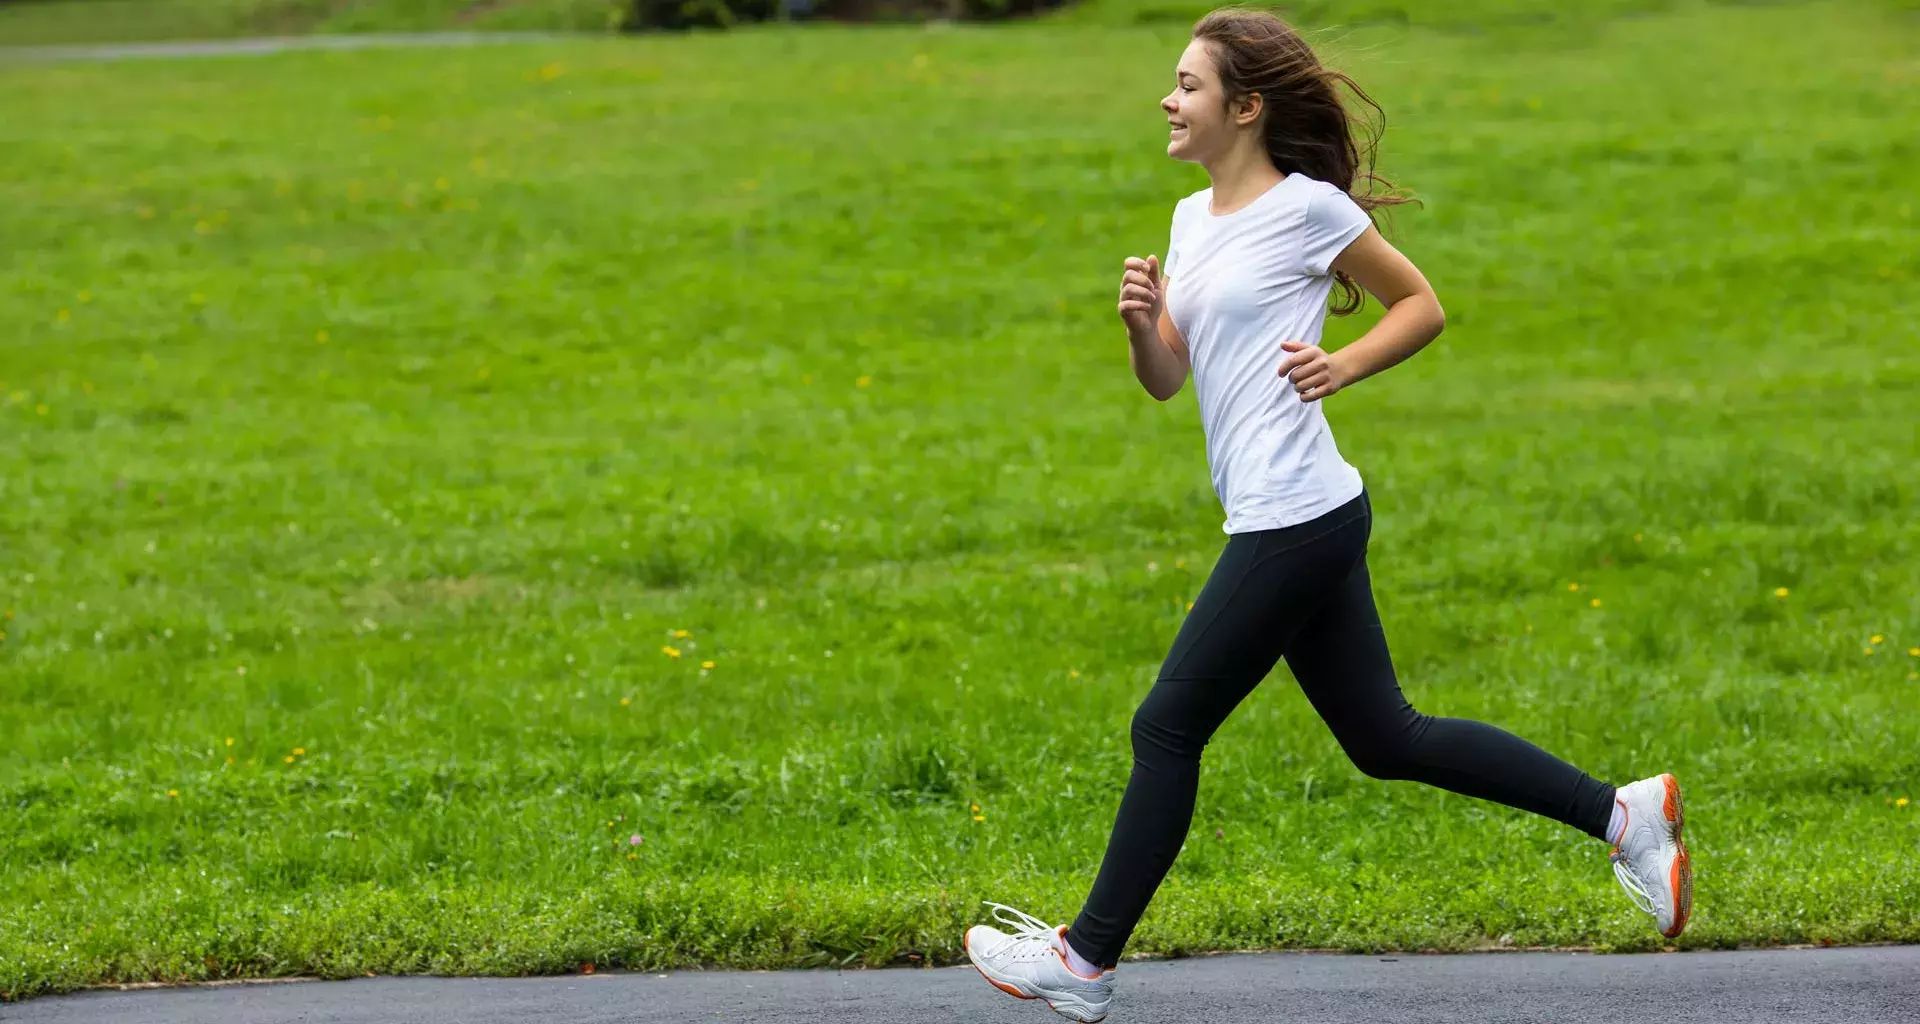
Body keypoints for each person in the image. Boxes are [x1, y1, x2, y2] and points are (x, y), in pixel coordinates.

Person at [960, 8, 1692, 1022]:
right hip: (1296, 511)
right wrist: (1140, 326)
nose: (1168, 101)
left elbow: (1420, 304)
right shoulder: (1187, 218)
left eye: (1187, 86)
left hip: (1292, 517)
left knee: (1166, 724)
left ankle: (1083, 963)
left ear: (1246, 107)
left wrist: (1338, 364)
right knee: (1386, 737)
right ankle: (1623, 815)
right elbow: (1170, 380)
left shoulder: (1308, 211)